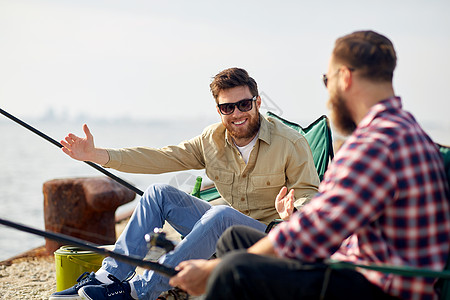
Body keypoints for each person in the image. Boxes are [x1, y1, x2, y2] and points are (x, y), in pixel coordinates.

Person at [169, 31, 450, 300]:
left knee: (234, 271)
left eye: (327, 80)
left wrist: (214, 268)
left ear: (345, 78)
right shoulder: (405, 130)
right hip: (369, 270)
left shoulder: (375, 143)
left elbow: (315, 231)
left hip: (376, 286)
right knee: (235, 239)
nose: (328, 94)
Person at [49, 67, 320, 300]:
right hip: (221, 240)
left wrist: (293, 212)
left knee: (221, 214)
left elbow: (310, 195)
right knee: (159, 193)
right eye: (228, 107)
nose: (237, 113)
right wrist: (97, 155)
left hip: (269, 241)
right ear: (219, 110)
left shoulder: (291, 143)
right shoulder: (210, 140)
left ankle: (139, 291)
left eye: (244, 104)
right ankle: (109, 277)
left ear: (258, 102)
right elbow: (160, 157)